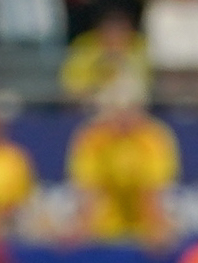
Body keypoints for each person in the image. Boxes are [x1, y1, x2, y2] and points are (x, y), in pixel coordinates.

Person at [66, 76, 181, 246]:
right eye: (115, 110)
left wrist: (156, 231)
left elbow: (153, 193)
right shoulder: (91, 138)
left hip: (144, 226)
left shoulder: (155, 138)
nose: (122, 117)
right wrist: (83, 234)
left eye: (129, 110)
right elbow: (88, 192)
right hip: (104, 228)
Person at [60, 6, 153, 100]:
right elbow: (73, 87)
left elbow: (147, 83)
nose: (115, 35)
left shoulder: (140, 45)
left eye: (121, 29)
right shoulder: (84, 46)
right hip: (92, 103)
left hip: (133, 105)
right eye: (110, 29)